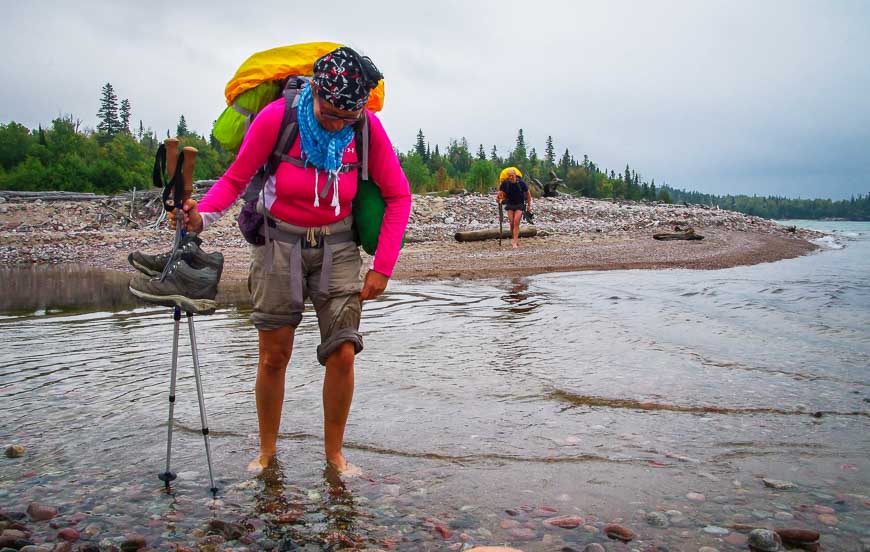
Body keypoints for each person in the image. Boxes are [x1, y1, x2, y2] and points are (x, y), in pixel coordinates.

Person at [169, 46, 412, 475]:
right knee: (274, 355)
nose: (338, 124)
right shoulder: (277, 119)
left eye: (346, 118)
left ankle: (334, 456)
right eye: (330, 113)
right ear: (315, 91)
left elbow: (398, 196)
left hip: (339, 247)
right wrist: (201, 216)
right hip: (277, 244)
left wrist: (383, 266)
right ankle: (267, 453)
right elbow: (234, 180)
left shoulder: (366, 129)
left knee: (343, 352)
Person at [497, 168, 532, 248]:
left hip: (519, 204)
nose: (511, 177)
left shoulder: (522, 183)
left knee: (516, 222)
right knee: (511, 223)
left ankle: (515, 242)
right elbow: (501, 194)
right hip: (510, 204)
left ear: (515, 175)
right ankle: (514, 238)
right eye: (509, 176)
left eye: (512, 176)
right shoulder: (505, 183)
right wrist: (498, 198)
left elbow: (528, 194)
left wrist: (529, 206)